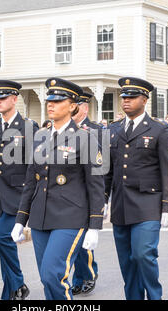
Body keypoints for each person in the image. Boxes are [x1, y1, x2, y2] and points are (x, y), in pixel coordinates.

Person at [11, 77, 105, 300]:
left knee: (54, 274)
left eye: (58, 100)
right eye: (49, 100)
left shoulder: (86, 139)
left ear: (72, 106)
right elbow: (31, 182)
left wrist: (95, 225)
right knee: (46, 278)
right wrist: (20, 219)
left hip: (71, 217)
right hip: (41, 216)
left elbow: (96, 186)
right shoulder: (40, 137)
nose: (50, 104)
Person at [104, 77, 168, 300]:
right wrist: (102, 199)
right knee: (127, 262)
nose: (125, 101)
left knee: (142, 254)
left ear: (144, 100)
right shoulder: (113, 129)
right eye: (123, 97)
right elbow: (107, 170)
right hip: (120, 205)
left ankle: (155, 296)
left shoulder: (159, 130)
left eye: (131, 97)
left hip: (148, 204)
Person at [0, 80, 38, 300]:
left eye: (3, 98)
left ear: (14, 99)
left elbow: (35, 166)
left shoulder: (29, 127)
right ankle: (11, 293)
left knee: (1, 238)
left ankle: (19, 282)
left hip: (19, 196)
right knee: (3, 247)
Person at [70, 91, 102, 295]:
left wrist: (102, 198)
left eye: (76, 105)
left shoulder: (96, 131)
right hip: (69, 193)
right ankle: (77, 277)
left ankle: (88, 274)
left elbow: (102, 166)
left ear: (85, 108)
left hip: (88, 192)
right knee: (72, 243)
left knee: (83, 243)